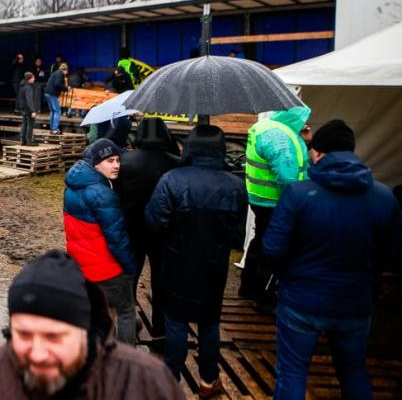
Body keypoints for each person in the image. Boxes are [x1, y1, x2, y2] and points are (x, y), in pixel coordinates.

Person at [263, 120, 400, 400]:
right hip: (356, 301)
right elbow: (394, 255)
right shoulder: (384, 197)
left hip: (301, 300)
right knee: (353, 371)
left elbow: (273, 249)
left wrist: (289, 276)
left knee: (292, 372)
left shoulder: (298, 194)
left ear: (318, 153)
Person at [0, 249, 183, 400]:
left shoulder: (146, 382)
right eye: (24, 335)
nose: (37, 354)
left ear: (86, 332)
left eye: (54, 337)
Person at [145, 125, 247, 396]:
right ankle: (208, 381)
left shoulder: (172, 179)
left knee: (176, 322)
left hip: (177, 262)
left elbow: (154, 220)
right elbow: (239, 236)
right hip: (214, 266)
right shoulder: (236, 185)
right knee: (209, 322)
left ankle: (170, 381)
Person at [63, 138, 137, 345]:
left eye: (117, 160)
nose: (116, 165)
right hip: (107, 269)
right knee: (126, 311)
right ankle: (126, 359)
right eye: (110, 161)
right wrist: (130, 266)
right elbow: (117, 239)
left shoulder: (73, 185)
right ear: (96, 164)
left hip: (82, 266)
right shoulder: (103, 194)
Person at [240, 106, 311, 312]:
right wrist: (296, 204)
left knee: (259, 239)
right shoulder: (281, 137)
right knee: (273, 247)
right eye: (305, 120)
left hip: (260, 197)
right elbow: (288, 176)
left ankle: (248, 287)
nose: (306, 125)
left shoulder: (265, 127)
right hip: (276, 200)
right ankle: (263, 295)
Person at [117, 117, 180, 344]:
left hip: (132, 227)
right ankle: (161, 326)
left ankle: (128, 322)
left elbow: (118, 196)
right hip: (164, 230)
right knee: (162, 278)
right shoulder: (176, 162)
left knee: (130, 275)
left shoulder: (125, 161)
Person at [43, 63, 69, 134]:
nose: (67, 73)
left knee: (53, 111)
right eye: (67, 71)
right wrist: (66, 88)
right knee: (57, 111)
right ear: (65, 70)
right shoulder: (60, 74)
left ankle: (52, 129)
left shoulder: (55, 73)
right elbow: (57, 83)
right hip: (52, 94)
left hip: (47, 93)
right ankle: (54, 129)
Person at [17, 72, 37, 146]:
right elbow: (29, 100)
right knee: (30, 124)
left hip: (23, 107)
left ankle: (23, 141)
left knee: (24, 124)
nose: (34, 79)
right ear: (29, 79)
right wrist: (33, 110)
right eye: (33, 78)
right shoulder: (28, 87)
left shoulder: (22, 85)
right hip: (28, 108)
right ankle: (29, 142)